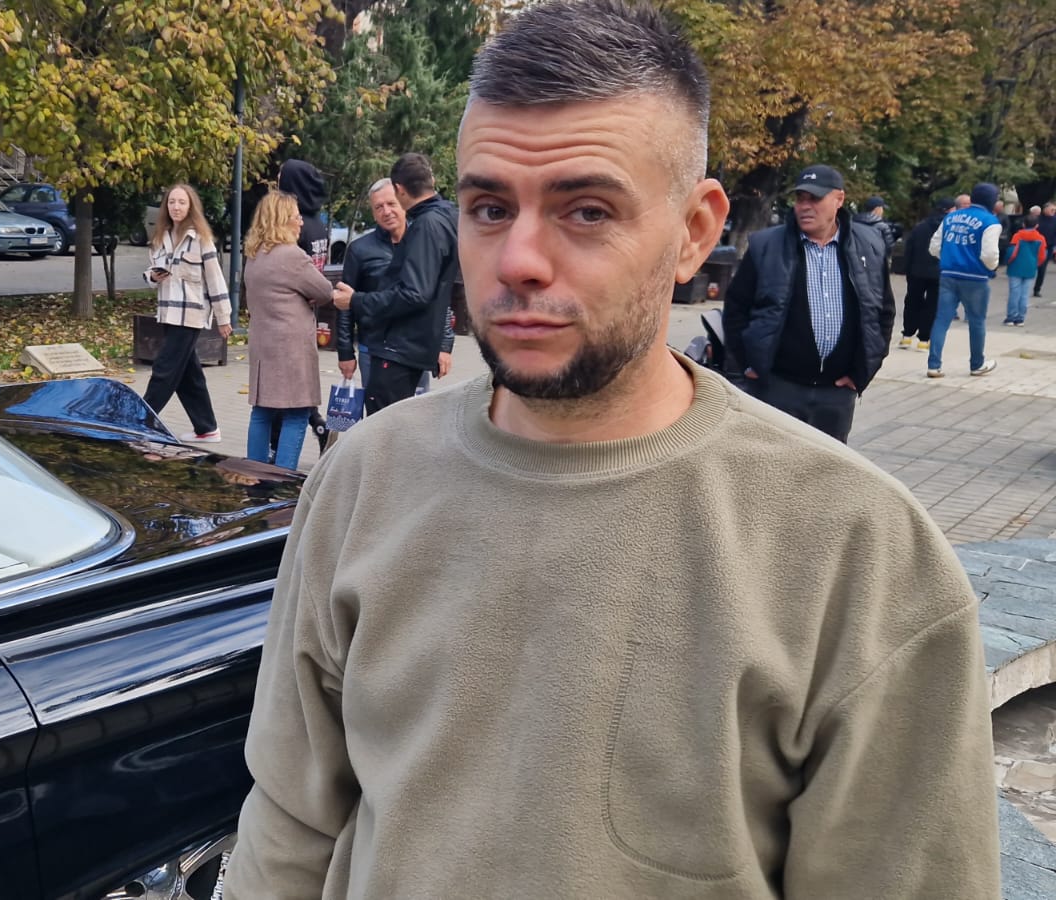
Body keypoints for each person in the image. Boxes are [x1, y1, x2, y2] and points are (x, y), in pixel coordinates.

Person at [222, 1, 998, 897]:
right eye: (488, 208)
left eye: (586, 210)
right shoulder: (363, 479)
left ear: (695, 232)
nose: (519, 259)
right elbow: (290, 825)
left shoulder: (860, 553)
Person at [722, 164, 895, 443]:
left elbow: (883, 312)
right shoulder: (766, 246)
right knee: (774, 464)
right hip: (778, 388)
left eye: (815, 199)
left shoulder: (868, 245)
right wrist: (748, 365)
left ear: (839, 199)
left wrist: (863, 371)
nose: (805, 206)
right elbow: (735, 309)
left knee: (827, 468)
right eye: (800, 198)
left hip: (836, 394)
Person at [331, 153, 458, 414]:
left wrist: (356, 300)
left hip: (400, 349)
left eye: (391, 202)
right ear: (431, 180)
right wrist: (346, 351)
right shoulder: (447, 217)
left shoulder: (426, 226)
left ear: (400, 191)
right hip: (393, 346)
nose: (386, 211)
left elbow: (420, 293)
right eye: (378, 207)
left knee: (389, 427)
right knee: (401, 423)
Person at [241, 192, 334, 469]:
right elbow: (324, 290)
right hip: (291, 349)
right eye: (296, 216)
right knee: (297, 413)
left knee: (262, 412)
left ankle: (255, 473)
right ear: (282, 219)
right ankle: (282, 477)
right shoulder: (292, 256)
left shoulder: (254, 255)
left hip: (263, 347)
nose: (301, 222)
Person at [143, 183, 233, 442]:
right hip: (168, 313)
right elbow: (151, 272)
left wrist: (223, 317)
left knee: (164, 369)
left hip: (191, 316)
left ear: (191, 206)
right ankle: (207, 428)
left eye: (182, 202)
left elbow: (215, 280)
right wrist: (152, 276)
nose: (176, 207)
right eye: (172, 202)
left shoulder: (201, 240)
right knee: (187, 374)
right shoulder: (160, 238)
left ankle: (140, 420)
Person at [926, 183, 1002, 378]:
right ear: (992, 201)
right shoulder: (991, 221)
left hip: (948, 274)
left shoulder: (951, 217)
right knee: (977, 321)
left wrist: (949, 259)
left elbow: (934, 247)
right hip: (975, 278)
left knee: (941, 320)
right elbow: (989, 255)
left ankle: (934, 365)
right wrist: (991, 267)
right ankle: (976, 364)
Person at [898, 197, 951, 349]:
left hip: (917, 271)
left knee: (912, 302)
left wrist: (907, 269)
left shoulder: (920, 227)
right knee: (932, 305)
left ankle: (907, 335)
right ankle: (924, 338)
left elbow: (909, 249)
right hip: (939, 271)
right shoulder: (948, 228)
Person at [1004, 212, 1047, 326]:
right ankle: (1020, 318)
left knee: (1014, 293)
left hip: (1015, 267)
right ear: (1036, 225)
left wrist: (1007, 262)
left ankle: (1011, 317)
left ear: (1023, 224)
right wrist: (1035, 264)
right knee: (1024, 294)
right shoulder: (1041, 238)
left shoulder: (1017, 236)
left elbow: (1011, 252)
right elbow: (1042, 256)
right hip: (1030, 268)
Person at [1038, 203, 1056, 297]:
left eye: (1054, 210)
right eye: (1052, 209)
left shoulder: (1054, 220)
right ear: (1045, 209)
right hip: (1037, 246)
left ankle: (1037, 288)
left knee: (1042, 269)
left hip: (1048, 247)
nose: (1053, 212)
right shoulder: (1038, 219)